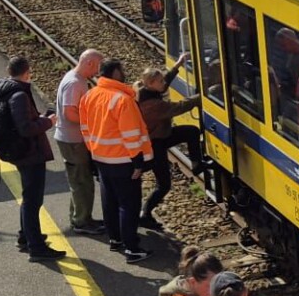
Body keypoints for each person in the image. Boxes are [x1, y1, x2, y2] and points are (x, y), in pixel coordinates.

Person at [0, 55, 61, 261]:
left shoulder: (5, 91)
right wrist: (48, 122)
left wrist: (40, 118)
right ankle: (36, 247)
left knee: (29, 198)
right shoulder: (19, 95)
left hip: (20, 151)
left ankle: (25, 236)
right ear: (27, 73)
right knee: (32, 200)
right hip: (30, 153)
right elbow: (26, 128)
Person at [79, 56, 153, 262]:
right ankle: (132, 248)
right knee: (128, 205)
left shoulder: (90, 95)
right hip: (123, 161)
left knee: (109, 201)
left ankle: (116, 239)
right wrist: (138, 162)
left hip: (100, 158)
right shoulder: (122, 100)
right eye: (122, 70)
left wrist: (93, 153)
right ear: (115, 73)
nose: (125, 72)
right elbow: (130, 135)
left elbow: (85, 129)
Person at [137, 56, 201, 233]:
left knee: (191, 131)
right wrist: (203, 97)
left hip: (161, 136)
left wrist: (178, 65)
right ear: (150, 83)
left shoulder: (146, 90)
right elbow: (179, 107)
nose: (163, 83)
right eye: (159, 81)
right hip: (155, 144)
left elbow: (164, 85)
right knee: (163, 184)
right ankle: (145, 213)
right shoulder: (152, 105)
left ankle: (196, 164)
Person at [52, 49, 104, 237]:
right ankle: (82, 221)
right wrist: (91, 121)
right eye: (97, 67)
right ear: (89, 63)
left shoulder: (76, 79)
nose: (98, 72)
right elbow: (69, 112)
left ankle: (80, 217)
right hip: (72, 141)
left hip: (71, 139)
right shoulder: (75, 83)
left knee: (80, 180)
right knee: (81, 182)